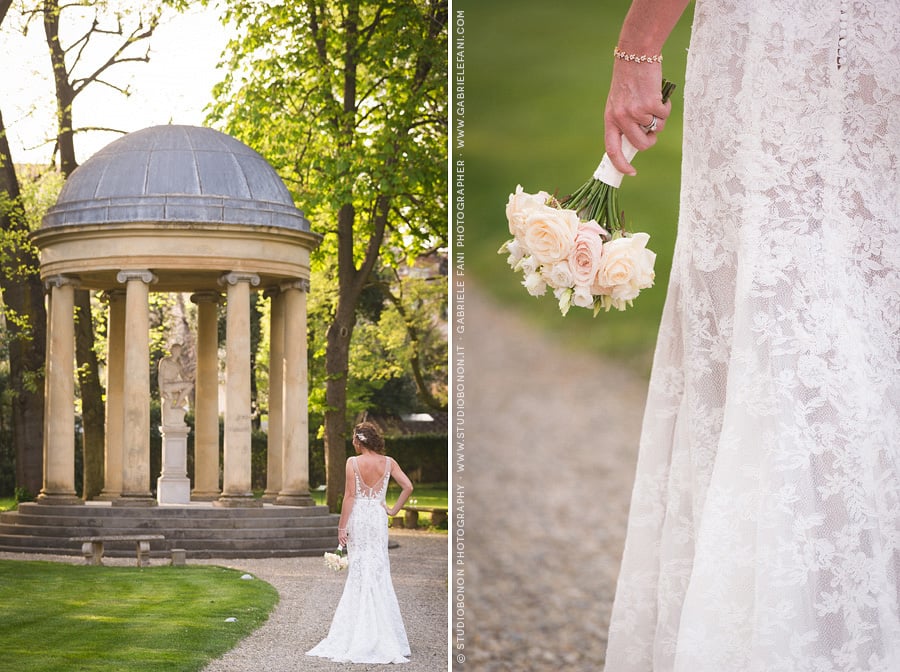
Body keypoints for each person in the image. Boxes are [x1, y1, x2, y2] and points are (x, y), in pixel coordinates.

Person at [601, 2, 900, 671]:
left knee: (794, 312)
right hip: (817, 40)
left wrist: (637, 53)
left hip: (786, 39)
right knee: (819, 314)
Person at [306, 421, 415, 664]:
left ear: (359, 441)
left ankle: (359, 631)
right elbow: (408, 486)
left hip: (359, 518)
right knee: (377, 569)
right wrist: (394, 510)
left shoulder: (352, 463)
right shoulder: (389, 462)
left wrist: (341, 527)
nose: (353, 444)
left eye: (354, 440)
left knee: (359, 569)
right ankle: (383, 634)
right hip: (377, 517)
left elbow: (350, 496)